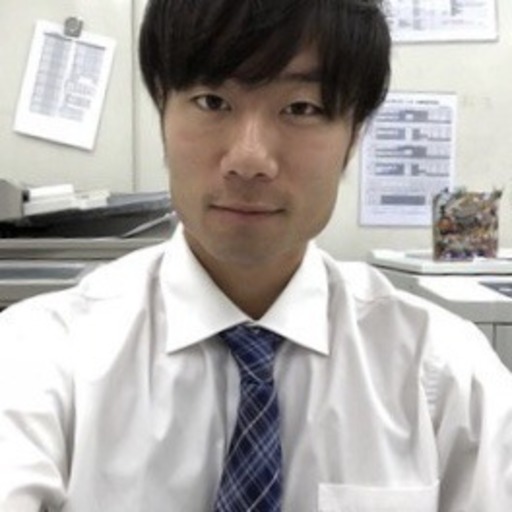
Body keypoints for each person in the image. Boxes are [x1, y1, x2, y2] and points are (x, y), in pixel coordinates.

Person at [1, 0, 512, 510]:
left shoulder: (447, 378)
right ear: (162, 111)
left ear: (355, 133)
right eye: (212, 101)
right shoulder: (39, 356)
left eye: (301, 108)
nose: (249, 159)